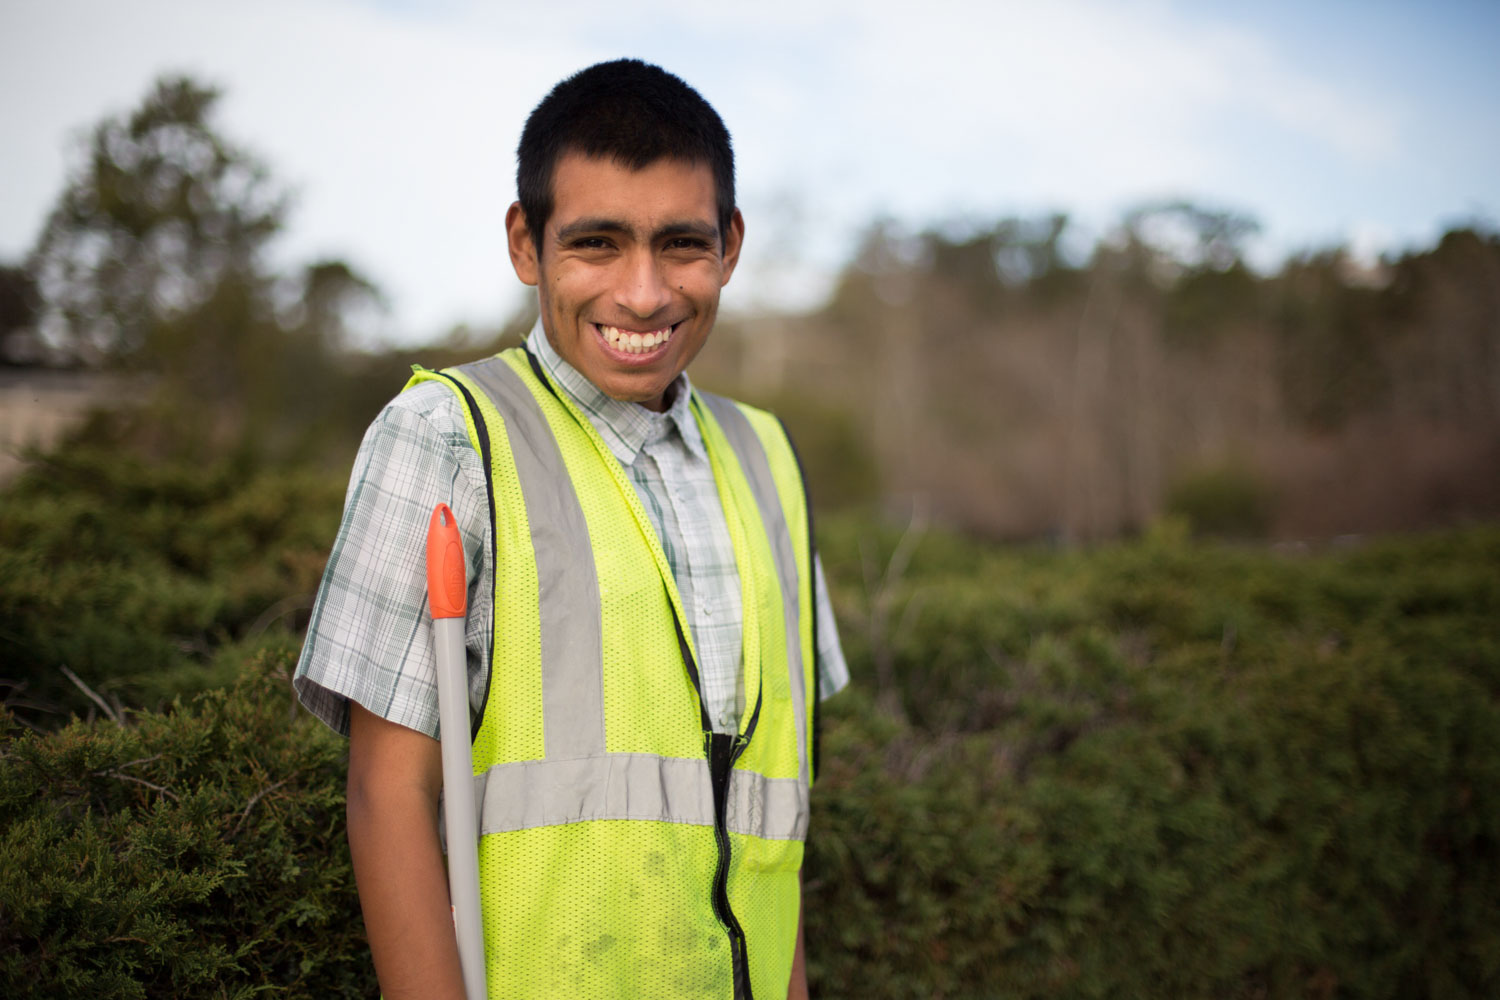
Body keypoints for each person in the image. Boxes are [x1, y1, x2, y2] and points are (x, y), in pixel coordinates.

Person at [294, 58, 848, 1000]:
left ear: (732, 244)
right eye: (597, 243)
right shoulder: (446, 438)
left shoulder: (769, 459)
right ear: (526, 243)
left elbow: (765, 821)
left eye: (681, 244)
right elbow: (387, 797)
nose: (642, 295)